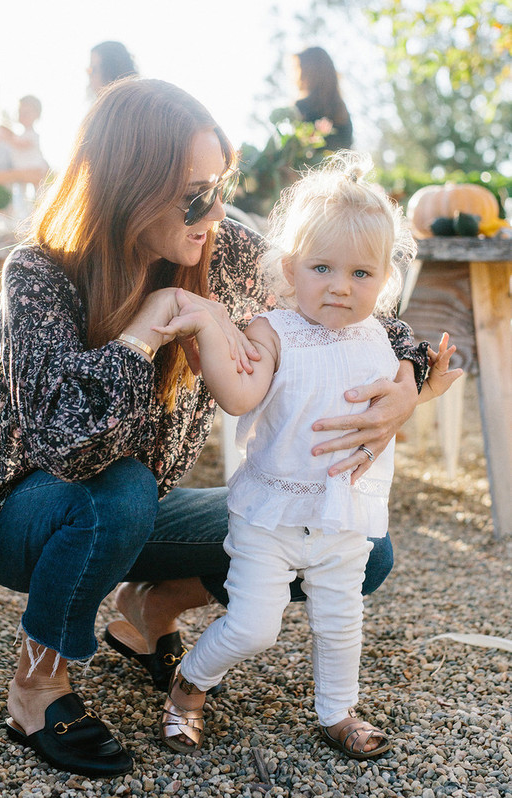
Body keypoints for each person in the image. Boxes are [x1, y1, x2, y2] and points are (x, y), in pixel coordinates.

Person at [0, 79, 429, 778]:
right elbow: (65, 445)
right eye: (197, 192)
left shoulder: (222, 249)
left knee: (358, 546)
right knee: (120, 490)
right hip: (29, 517)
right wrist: (141, 336)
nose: (218, 209)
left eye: (220, 187)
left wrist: (409, 377)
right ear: (130, 185)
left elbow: (346, 298)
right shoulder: (40, 273)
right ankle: (36, 685)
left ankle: (149, 612)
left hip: (138, 508)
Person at [154, 151, 462, 758]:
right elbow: (240, 393)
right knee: (253, 626)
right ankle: (189, 684)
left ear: (383, 279)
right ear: (291, 268)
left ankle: (337, 711)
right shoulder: (274, 330)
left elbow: (389, 402)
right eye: (323, 268)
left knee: (341, 623)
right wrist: (209, 333)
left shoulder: (380, 337)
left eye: (361, 274)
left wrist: (424, 389)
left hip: (345, 511)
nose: (341, 288)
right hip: (271, 514)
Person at [291, 46, 353, 151]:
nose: (298, 76)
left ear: (310, 72)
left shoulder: (301, 108)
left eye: (300, 68)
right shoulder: (341, 111)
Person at [9, 95, 49, 172]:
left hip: (33, 167)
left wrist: (8, 139)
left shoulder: (32, 135)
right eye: (20, 112)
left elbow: (23, 145)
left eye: (26, 113)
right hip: (23, 169)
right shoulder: (21, 135)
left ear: (36, 115)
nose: (23, 116)